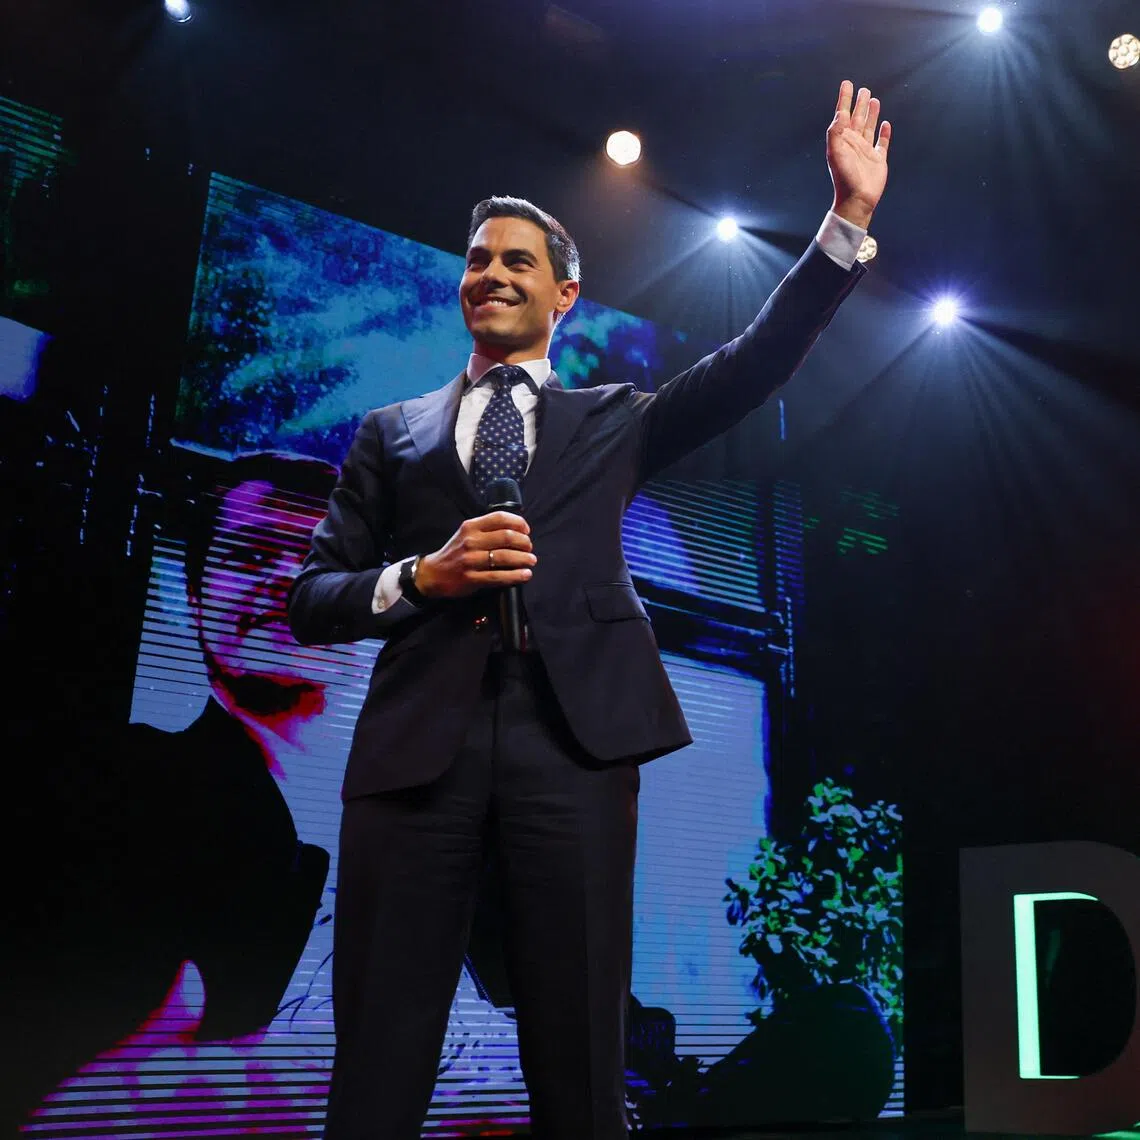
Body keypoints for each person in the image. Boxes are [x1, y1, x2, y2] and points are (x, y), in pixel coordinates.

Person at [288, 80, 891, 1140]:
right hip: (412, 759)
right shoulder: (391, 433)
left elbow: (753, 364)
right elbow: (311, 598)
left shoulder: (616, 418)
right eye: (477, 260)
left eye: (517, 260)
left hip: (572, 748)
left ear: (566, 294)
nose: (491, 275)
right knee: (379, 1055)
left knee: (579, 1057)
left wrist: (845, 225)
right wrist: (421, 577)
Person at [9, 451, 338, 1130]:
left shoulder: (459, 824)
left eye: (318, 561)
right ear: (191, 598)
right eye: (249, 556)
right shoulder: (107, 791)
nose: (283, 578)